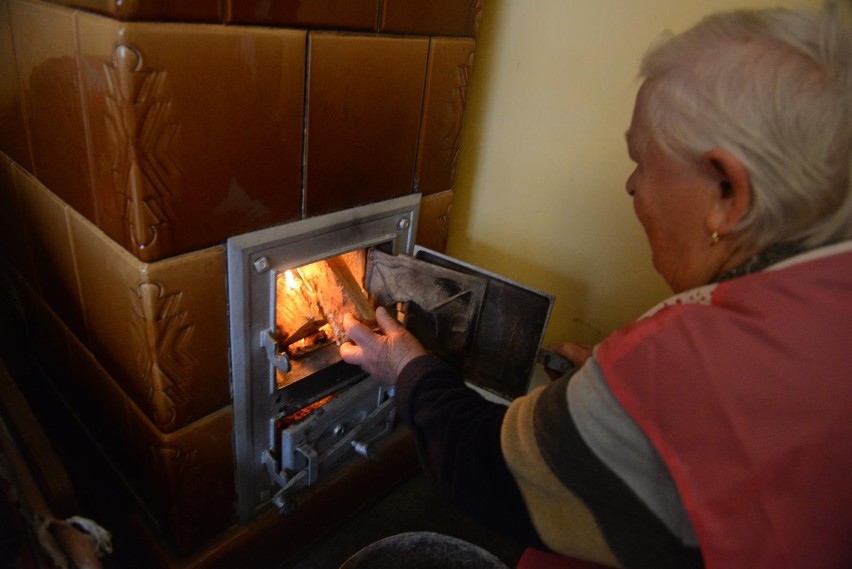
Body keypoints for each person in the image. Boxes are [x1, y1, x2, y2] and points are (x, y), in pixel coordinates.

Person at [340, 3, 852, 568]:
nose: (632, 186)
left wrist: (407, 366)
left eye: (642, 161)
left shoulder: (689, 364)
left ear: (727, 190)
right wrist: (610, 405)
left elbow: (484, 470)